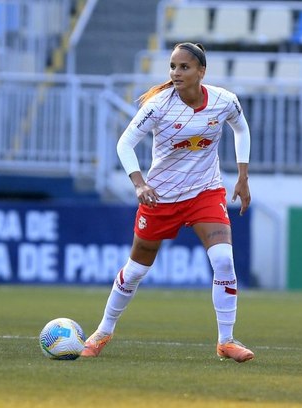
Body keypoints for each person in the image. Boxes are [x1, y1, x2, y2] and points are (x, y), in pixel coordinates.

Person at [81, 42, 254, 363]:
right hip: (161, 197)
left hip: (205, 193)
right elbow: (124, 144)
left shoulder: (224, 101)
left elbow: (241, 129)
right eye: (173, 67)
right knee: (135, 271)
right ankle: (103, 331)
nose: (176, 73)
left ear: (201, 71)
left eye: (184, 67)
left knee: (224, 261)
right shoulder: (158, 106)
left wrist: (242, 175)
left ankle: (226, 341)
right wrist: (139, 183)